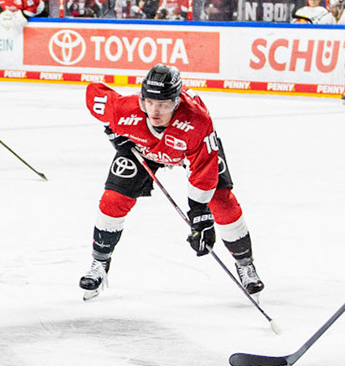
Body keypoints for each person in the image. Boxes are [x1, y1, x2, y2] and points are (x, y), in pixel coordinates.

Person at [80, 64, 263, 298]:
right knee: (113, 200)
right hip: (143, 148)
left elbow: (203, 171)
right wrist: (113, 129)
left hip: (190, 151)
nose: (155, 111)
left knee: (222, 202)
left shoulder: (197, 121)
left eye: (164, 105)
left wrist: (199, 212)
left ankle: (245, 264)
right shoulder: (124, 109)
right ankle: (99, 263)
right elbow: (94, 92)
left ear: (176, 102)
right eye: (149, 102)